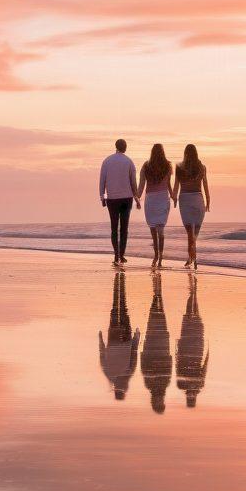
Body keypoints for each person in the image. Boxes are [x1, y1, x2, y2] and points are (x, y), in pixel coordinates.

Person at [98, 137, 140, 266]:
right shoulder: (129, 162)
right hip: (126, 199)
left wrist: (102, 197)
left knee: (114, 228)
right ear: (125, 147)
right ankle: (122, 255)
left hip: (112, 199)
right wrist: (136, 198)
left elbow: (102, 180)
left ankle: (116, 255)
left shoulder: (107, 161)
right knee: (124, 228)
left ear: (116, 146)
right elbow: (133, 182)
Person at [98, 271, 140, 400]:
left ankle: (120, 283)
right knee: (116, 309)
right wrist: (100, 340)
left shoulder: (127, 374)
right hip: (114, 337)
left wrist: (136, 337)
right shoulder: (110, 374)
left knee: (123, 310)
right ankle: (119, 284)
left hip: (124, 338)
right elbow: (102, 355)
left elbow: (134, 353)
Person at [172, 143, 210, 269]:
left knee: (190, 233)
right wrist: (208, 201)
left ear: (185, 154)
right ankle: (193, 257)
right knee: (195, 234)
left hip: (185, 200)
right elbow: (205, 185)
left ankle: (191, 257)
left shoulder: (179, 167)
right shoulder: (202, 167)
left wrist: (174, 198)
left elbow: (176, 186)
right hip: (198, 199)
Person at [137, 143, 173, 269]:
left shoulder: (146, 165)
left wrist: (137, 197)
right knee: (161, 230)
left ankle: (156, 255)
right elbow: (168, 183)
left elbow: (141, 185)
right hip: (163, 197)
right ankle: (161, 257)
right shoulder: (168, 165)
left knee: (153, 229)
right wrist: (173, 195)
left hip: (151, 199)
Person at [176, 273, 209, 408]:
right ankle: (192, 294)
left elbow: (205, 366)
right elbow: (178, 364)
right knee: (190, 316)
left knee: (195, 316)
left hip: (196, 346)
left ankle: (193, 294)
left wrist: (207, 352)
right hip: (187, 345)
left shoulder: (197, 384)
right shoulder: (182, 385)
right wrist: (177, 347)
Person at [140, 272, 172, 413]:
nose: (161, 400)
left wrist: (143, 352)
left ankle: (156, 297)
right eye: (161, 402)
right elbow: (169, 367)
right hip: (161, 347)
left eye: (159, 403)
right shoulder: (163, 384)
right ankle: (157, 296)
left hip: (153, 346)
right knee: (160, 317)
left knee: (154, 318)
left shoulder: (150, 384)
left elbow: (144, 366)